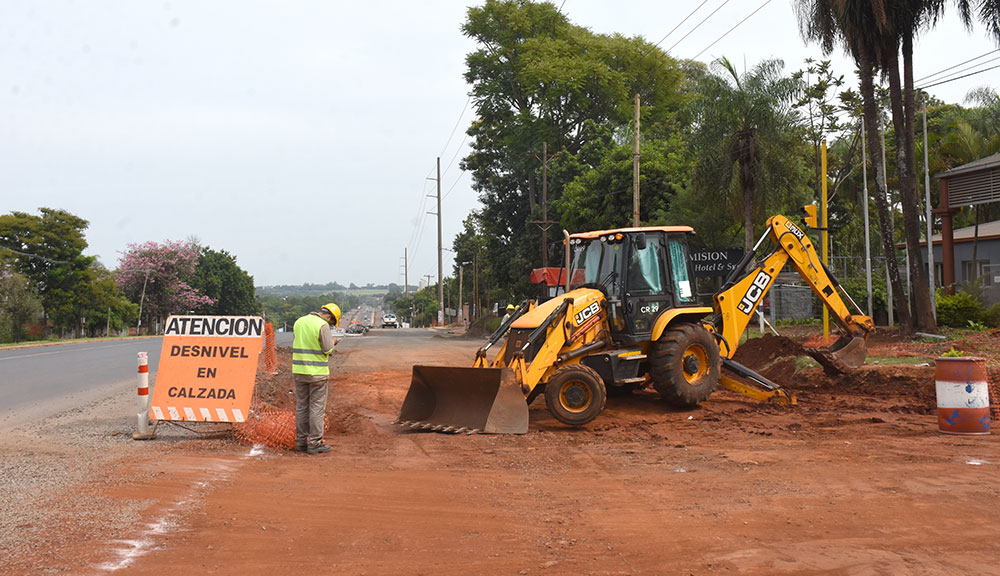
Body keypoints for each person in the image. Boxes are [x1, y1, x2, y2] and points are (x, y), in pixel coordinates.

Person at [292, 303, 341, 454]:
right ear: (329, 316)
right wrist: (333, 342)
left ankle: (300, 442)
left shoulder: (299, 321)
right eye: (332, 322)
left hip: (299, 371)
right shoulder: (322, 325)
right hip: (317, 373)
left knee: (301, 406)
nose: (330, 324)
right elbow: (327, 348)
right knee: (316, 408)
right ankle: (314, 443)